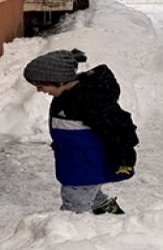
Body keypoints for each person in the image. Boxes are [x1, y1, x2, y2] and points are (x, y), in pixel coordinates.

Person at [22, 48, 139, 215]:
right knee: (90, 191)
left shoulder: (89, 100)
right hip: (76, 160)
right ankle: (110, 214)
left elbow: (120, 128)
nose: (39, 90)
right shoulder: (65, 95)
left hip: (85, 164)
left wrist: (124, 159)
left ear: (59, 80)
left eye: (42, 85)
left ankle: (73, 235)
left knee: (74, 206)